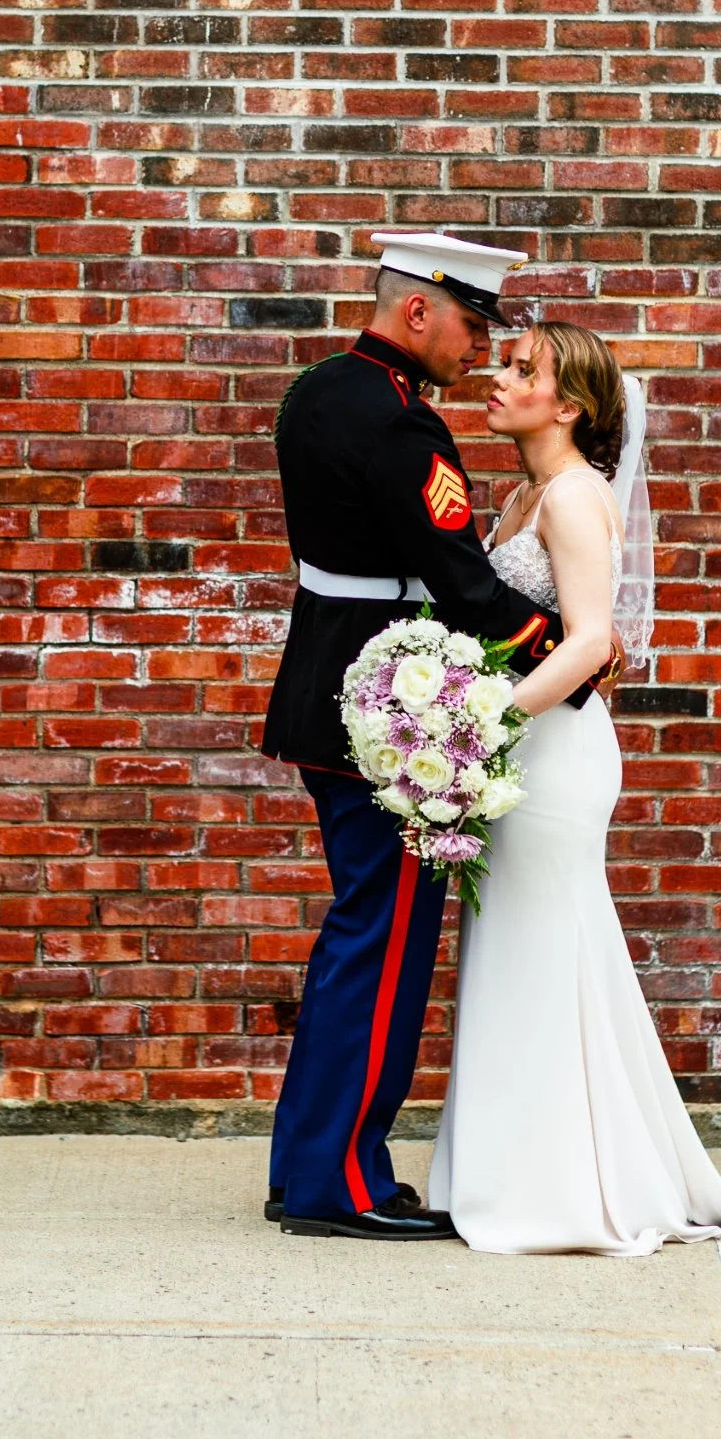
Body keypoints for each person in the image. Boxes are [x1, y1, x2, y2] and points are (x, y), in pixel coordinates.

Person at [261, 233, 619, 1241]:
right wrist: (571, 647)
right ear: (418, 312)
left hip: (328, 691)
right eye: (471, 326)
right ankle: (341, 1184)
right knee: (380, 948)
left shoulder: (318, 388)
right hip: (384, 714)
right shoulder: (400, 426)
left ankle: (309, 1163)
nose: (477, 350)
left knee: (356, 933)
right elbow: (462, 584)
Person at [427, 322, 721, 1253]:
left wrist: (487, 724)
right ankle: (510, 1165)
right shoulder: (521, 494)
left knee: (543, 946)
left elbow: (592, 641)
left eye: (523, 372)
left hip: (555, 757)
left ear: (570, 407)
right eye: (502, 364)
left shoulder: (570, 496)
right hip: (524, 749)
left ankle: (563, 1186)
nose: (497, 378)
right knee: (514, 948)